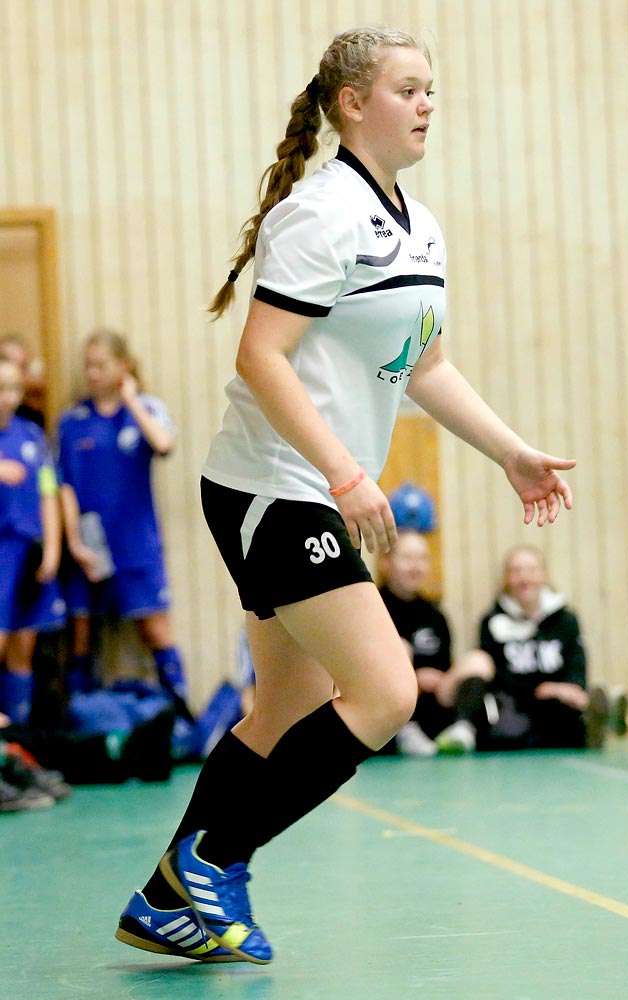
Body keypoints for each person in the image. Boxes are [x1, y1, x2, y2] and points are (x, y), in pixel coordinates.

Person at [115, 27, 575, 967]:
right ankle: (216, 856)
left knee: (284, 705)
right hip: (269, 487)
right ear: (352, 102)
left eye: (432, 90)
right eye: (409, 88)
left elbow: (425, 366)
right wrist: (344, 472)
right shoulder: (319, 213)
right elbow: (260, 355)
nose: (427, 104)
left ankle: (166, 899)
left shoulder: (423, 224)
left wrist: (509, 453)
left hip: (305, 491)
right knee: (388, 690)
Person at [56, 330, 191, 717]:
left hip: (136, 543)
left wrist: (131, 399)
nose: (92, 373)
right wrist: (73, 543)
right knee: (81, 636)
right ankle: (79, 723)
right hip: (88, 547)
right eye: (87, 365)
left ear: (122, 365)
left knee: (156, 630)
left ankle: (181, 719)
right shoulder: (72, 420)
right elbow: (63, 484)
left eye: (100, 364)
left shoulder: (145, 407)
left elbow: (164, 444)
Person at [435, 545, 627, 754]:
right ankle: (585, 727)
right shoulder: (493, 621)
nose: (524, 578)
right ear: (507, 579)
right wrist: (537, 689)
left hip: (555, 702)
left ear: (543, 576)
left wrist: (570, 688)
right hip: (514, 704)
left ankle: (598, 716)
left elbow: (576, 660)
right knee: (503, 733)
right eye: (517, 571)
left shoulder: (565, 619)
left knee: (565, 711)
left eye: (532, 570)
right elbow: (493, 672)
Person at [0, 357, 65, 728]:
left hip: (29, 553)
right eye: (1, 388)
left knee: (23, 648)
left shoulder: (31, 435)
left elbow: (48, 493)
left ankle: (20, 741)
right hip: (2, 552)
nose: (6, 397)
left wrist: (53, 548)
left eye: (12, 388)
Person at [378, 529, 454, 756]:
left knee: (477, 661)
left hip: (431, 706)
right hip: (386, 707)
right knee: (401, 647)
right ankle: (404, 729)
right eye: (407, 558)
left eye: (421, 558)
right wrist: (413, 678)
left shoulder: (435, 615)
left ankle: (462, 731)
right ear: (386, 563)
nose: (415, 566)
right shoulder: (373, 607)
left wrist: (439, 678)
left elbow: (446, 667)